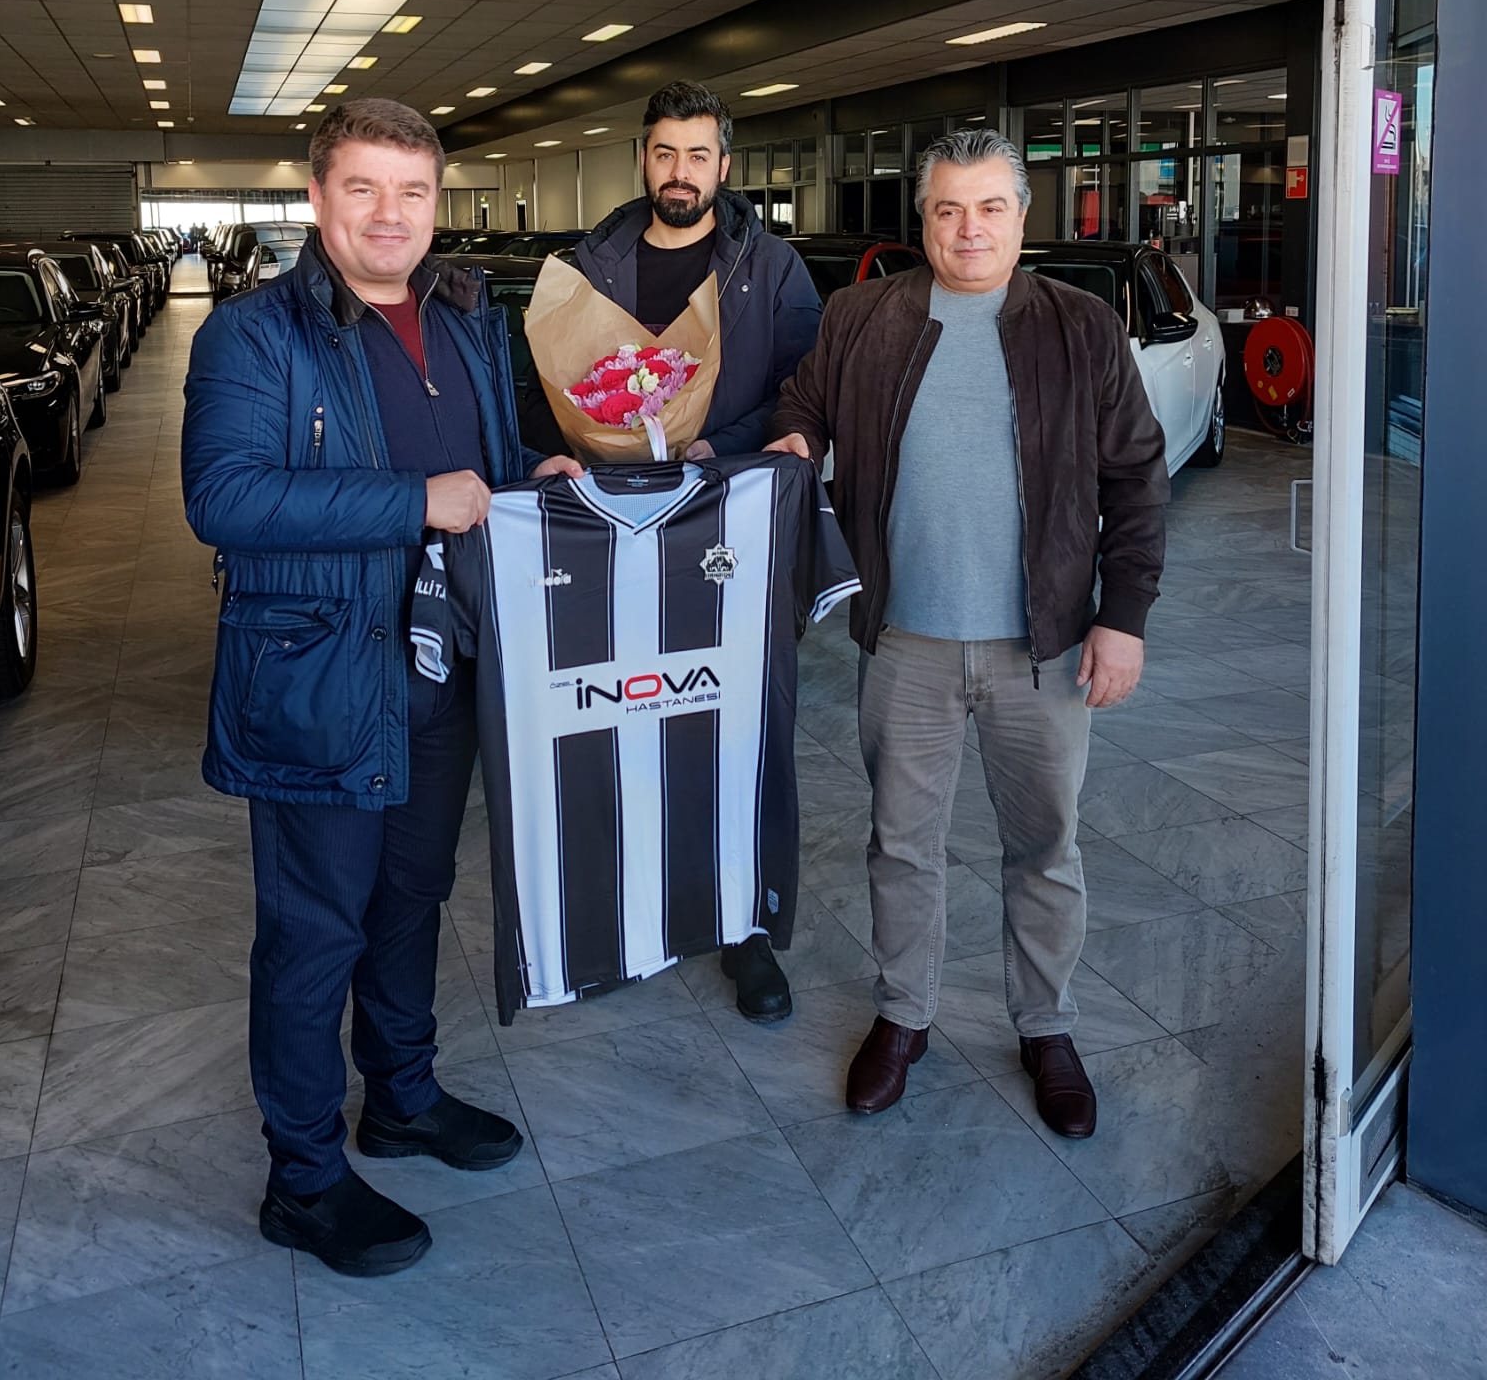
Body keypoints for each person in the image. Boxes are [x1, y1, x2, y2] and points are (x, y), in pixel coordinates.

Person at [182, 98, 580, 1279]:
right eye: (362, 187)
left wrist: (531, 473)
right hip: (321, 679)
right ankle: (303, 1180)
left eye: (412, 190)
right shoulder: (254, 335)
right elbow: (225, 497)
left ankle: (401, 1096)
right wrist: (415, 501)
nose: (390, 214)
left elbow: (478, 469)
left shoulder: (463, 317)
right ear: (318, 197)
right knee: (315, 932)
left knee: (411, 899)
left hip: (443, 670)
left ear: (436, 200)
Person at [767, 128, 1168, 1129]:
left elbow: (1136, 475)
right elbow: (804, 403)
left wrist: (1123, 617)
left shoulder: (1080, 326)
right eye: (948, 209)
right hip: (905, 641)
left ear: (1023, 217)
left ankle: (1047, 1026)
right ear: (924, 220)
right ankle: (904, 1016)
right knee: (901, 845)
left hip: (1046, 647)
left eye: (990, 207)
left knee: (1045, 846)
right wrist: (794, 441)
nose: (969, 227)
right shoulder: (864, 316)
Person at [568, 78, 823, 1022]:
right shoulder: (590, 265)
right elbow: (554, 387)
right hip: (615, 536)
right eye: (665, 152)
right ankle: (626, 917)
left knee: (737, 728)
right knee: (620, 721)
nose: (681, 172)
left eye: (699, 155)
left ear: (724, 163)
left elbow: (805, 391)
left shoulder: (772, 268)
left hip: (728, 531)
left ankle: (743, 927)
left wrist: (725, 442)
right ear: (644, 157)